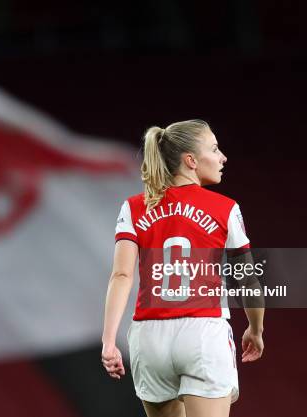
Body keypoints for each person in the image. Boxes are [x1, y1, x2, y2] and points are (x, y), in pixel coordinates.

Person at [101, 120, 264, 417]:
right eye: (214, 149)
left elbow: (122, 275)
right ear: (190, 161)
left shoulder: (135, 207)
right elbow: (247, 277)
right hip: (202, 332)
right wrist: (256, 328)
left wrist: (109, 341)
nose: (222, 157)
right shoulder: (225, 207)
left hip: (148, 338)